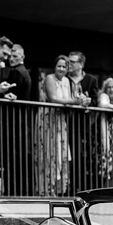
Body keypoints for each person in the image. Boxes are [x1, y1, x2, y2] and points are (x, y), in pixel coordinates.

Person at [37, 55, 76, 195]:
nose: (61, 69)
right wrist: (74, 101)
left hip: (61, 120)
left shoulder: (67, 81)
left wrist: (78, 101)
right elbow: (53, 98)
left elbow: (68, 99)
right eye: (59, 66)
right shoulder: (49, 78)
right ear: (54, 67)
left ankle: (58, 189)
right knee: (49, 153)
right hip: (48, 118)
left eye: (64, 66)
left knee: (62, 153)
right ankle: (46, 189)